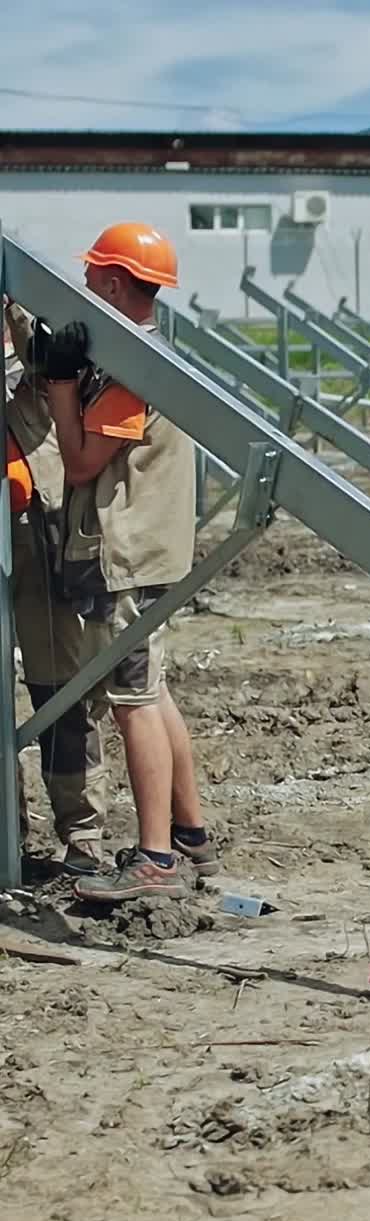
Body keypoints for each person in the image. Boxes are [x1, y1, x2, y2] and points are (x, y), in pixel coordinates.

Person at [35, 223, 215, 900]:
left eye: (90, 279)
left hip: (126, 555)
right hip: (147, 550)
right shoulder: (151, 357)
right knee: (154, 689)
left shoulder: (131, 374)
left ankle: (156, 862)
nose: (82, 289)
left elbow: (81, 465)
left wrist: (57, 385)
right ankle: (191, 833)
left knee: (132, 701)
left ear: (113, 284)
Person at [3, 298, 110, 874]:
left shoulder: (31, 335)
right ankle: (6, 831)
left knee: (58, 688)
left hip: (35, 526)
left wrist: (27, 334)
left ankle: (81, 830)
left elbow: (56, 386)